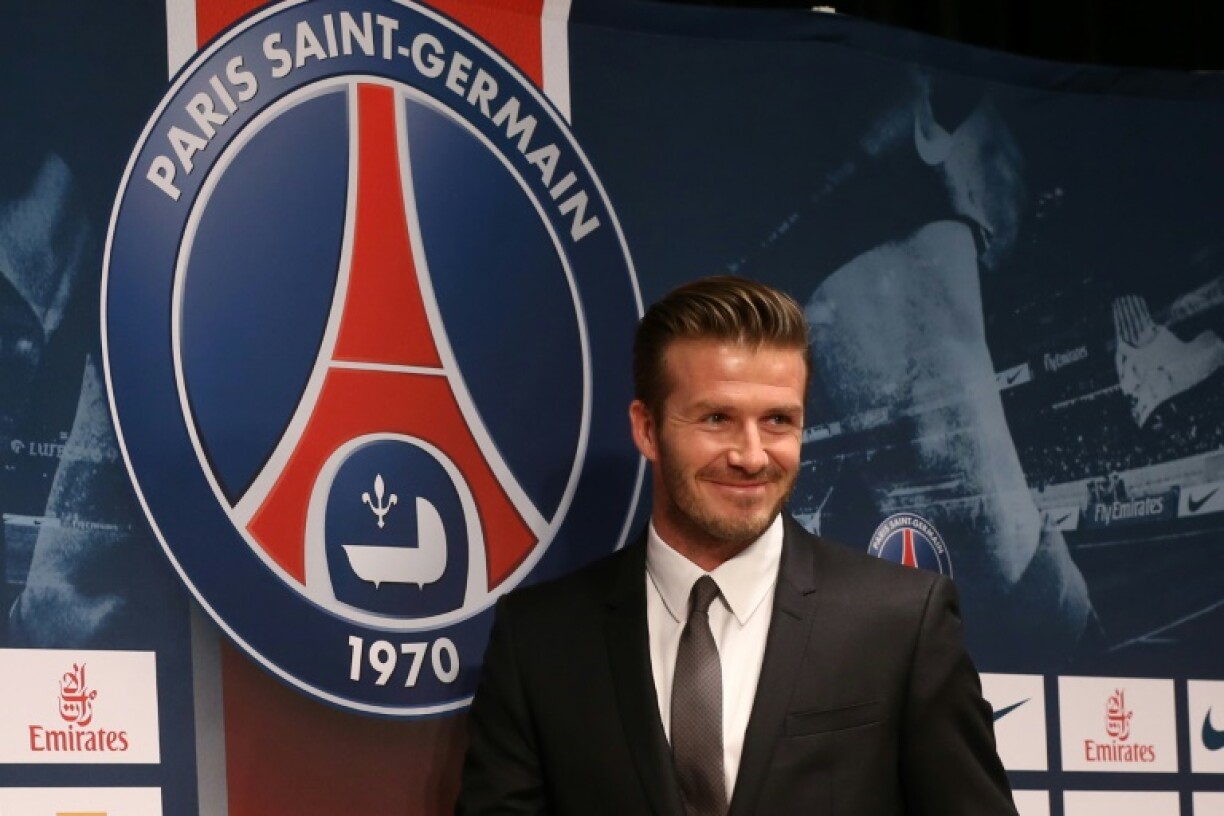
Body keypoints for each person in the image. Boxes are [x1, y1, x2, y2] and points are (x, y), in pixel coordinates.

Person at [456, 276, 1017, 815]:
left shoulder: (901, 623)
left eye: (777, 420)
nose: (751, 456)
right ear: (646, 428)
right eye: (718, 418)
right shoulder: (539, 641)